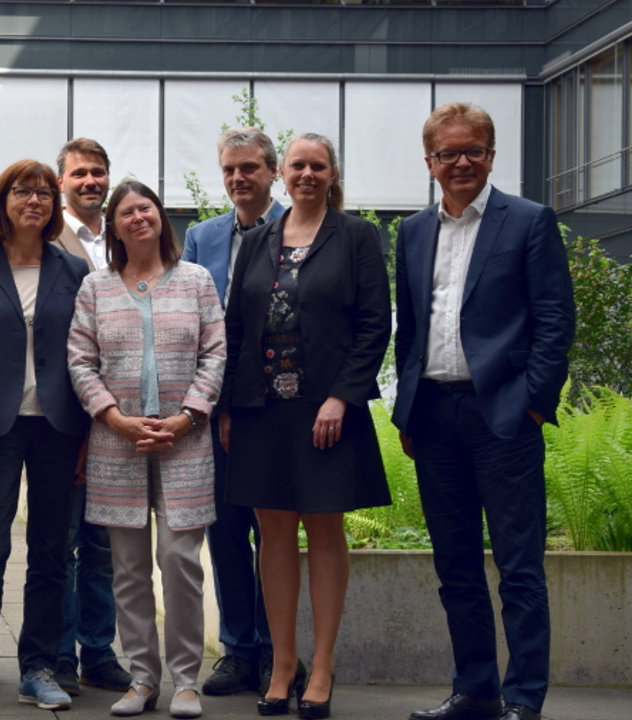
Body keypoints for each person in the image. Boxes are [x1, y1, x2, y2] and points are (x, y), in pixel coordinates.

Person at [395, 104, 574, 720]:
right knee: (457, 568)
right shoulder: (413, 232)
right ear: (431, 163)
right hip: (435, 419)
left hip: (504, 418)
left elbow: (555, 321)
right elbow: (411, 328)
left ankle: (523, 698)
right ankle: (475, 691)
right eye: (449, 153)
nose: (462, 161)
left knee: (520, 569)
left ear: (492, 156)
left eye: (474, 150)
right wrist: (406, 414)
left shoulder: (528, 221)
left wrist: (531, 405)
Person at [219, 133, 391, 720]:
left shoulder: (359, 237)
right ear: (282, 174)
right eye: (298, 165)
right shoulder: (259, 238)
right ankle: (283, 664)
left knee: (322, 532)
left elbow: (375, 326)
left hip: (325, 413)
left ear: (331, 172)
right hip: (262, 410)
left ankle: (321, 666)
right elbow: (235, 326)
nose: (307, 174)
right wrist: (227, 406)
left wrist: (343, 398)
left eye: (318, 165)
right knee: (271, 534)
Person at [67, 181, 225, 719]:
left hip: (187, 442)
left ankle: (185, 681)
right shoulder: (95, 287)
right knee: (128, 570)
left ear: (161, 216)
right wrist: (115, 419)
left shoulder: (197, 281)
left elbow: (215, 356)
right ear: (113, 226)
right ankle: (141, 679)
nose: (138, 217)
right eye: (126, 212)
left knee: (180, 561)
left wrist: (185, 418)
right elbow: (80, 361)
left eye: (146, 208)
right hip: (118, 443)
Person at [0, 159, 91, 715]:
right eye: (23, 191)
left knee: (53, 551)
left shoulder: (73, 271)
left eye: (46, 192)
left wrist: (88, 437)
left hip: (58, 427)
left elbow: (87, 354)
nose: (36, 200)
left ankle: (39, 666)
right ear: (2, 202)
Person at [182, 127, 286, 697]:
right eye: (229, 170)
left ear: (271, 171)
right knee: (224, 531)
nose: (238, 179)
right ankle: (239, 649)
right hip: (215, 410)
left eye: (249, 168)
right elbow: (199, 323)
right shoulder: (202, 236)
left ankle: (275, 651)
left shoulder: (297, 229)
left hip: (275, 408)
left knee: (272, 530)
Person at [50, 137, 132, 697]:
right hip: (64, 413)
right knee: (61, 542)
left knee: (104, 543)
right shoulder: (45, 237)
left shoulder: (127, 235)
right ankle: (57, 651)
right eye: (79, 174)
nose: (90, 182)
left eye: (98, 173)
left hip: (120, 416)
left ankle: (98, 652)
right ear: (62, 183)